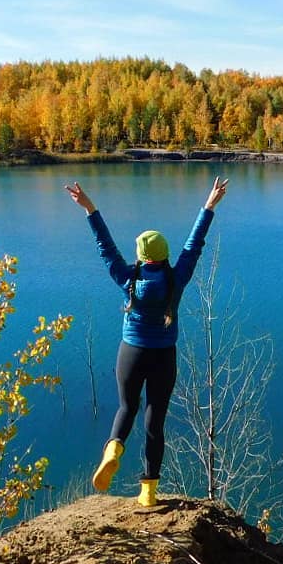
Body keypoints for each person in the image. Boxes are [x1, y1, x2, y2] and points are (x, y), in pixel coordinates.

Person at [65, 175, 229, 507]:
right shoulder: (176, 278)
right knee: (155, 421)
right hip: (163, 357)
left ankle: (113, 447)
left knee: (127, 407)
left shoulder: (128, 278)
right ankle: (148, 492)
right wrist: (209, 206)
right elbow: (194, 245)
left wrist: (90, 208)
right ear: (164, 254)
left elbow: (105, 247)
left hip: (131, 352)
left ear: (141, 256)